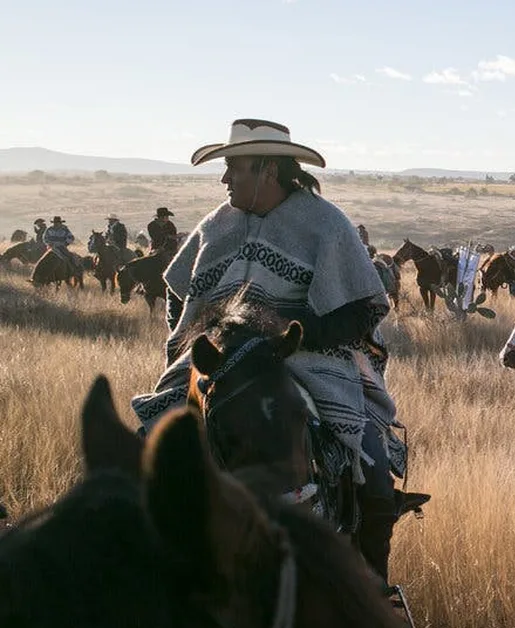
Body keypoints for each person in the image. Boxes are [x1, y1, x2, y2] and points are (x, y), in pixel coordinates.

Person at [130, 118, 414, 582]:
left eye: (234, 167)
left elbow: (366, 308)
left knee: (370, 464)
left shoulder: (325, 223)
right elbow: (179, 293)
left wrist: (299, 331)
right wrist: (183, 348)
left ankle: (372, 587)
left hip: (304, 356)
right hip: (221, 355)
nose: (225, 179)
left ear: (267, 169)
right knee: (147, 444)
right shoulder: (215, 224)